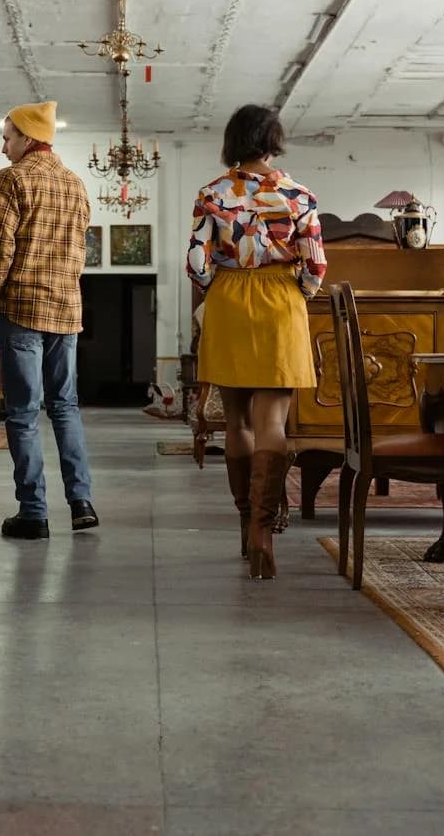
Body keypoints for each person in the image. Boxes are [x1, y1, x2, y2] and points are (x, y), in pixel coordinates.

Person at [186, 104, 325, 579]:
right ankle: (265, 533)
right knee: (273, 422)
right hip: (281, 301)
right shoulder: (299, 195)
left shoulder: (212, 194)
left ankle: (247, 521)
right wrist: (298, 289)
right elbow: (316, 267)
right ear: (273, 139)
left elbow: (196, 264)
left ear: (232, 140)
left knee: (238, 422)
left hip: (230, 302)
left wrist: (219, 284)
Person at [0, 101, 96, 539]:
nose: (3, 146)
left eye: (7, 137)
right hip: (66, 313)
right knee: (65, 407)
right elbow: (78, 253)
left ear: (28, 138)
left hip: (23, 310)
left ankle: (33, 512)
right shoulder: (75, 184)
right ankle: (81, 501)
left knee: (23, 414)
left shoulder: (12, 179)